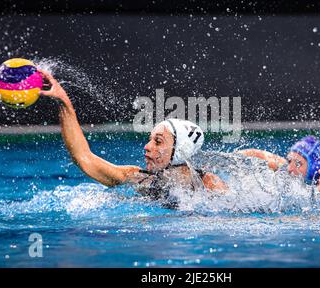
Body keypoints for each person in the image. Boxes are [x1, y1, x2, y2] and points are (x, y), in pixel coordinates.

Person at [38, 69, 227, 208]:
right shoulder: (140, 178)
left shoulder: (208, 184)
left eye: (158, 141)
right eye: (150, 139)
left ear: (180, 151)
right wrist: (64, 102)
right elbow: (83, 158)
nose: (146, 147)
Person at [237, 136, 320, 184]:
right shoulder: (283, 168)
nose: (289, 169)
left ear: (312, 169)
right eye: (289, 161)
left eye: (298, 164)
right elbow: (257, 153)